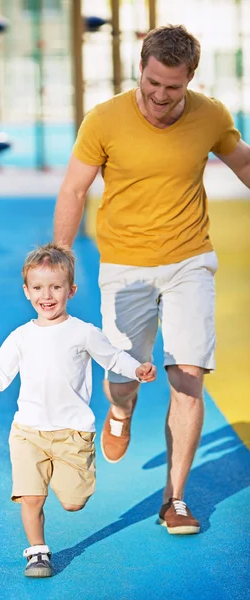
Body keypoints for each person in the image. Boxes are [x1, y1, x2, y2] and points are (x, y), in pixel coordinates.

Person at [53, 24, 250, 535]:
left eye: (173, 87)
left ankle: (175, 499)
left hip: (190, 260)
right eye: (153, 83)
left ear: (190, 79)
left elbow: (243, 160)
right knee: (124, 379)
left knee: (187, 380)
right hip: (125, 266)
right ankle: (120, 413)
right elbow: (74, 191)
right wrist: (62, 257)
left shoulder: (211, 115)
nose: (161, 97)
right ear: (140, 70)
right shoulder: (104, 120)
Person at [0, 243, 156, 577]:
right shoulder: (20, 337)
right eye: (37, 288)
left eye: (55, 287)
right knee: (31, 498)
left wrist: (137, 369)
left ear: (71, 290)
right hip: (28, 432)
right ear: (26, 291)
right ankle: (38, 553)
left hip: (73, 432)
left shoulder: (83, 332)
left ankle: (71, 487)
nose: (46, 295)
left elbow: (113, 357)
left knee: (72, 503)